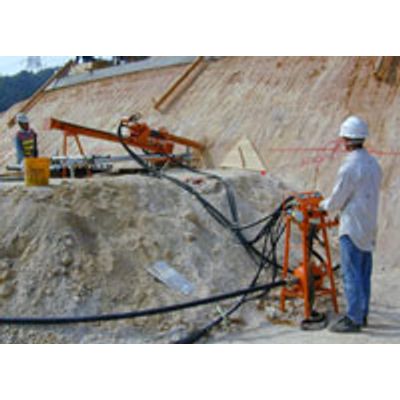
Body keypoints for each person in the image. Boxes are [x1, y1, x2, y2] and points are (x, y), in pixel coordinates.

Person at [320, 116, 382, 333]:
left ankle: (353, 319)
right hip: (368, 225)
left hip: (352, 226)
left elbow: (338, 199)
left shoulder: (350, 167)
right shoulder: (373, 164)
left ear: (346, 139)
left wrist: (322, 205)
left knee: (351, 273)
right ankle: (362, 314)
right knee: (364, 273)